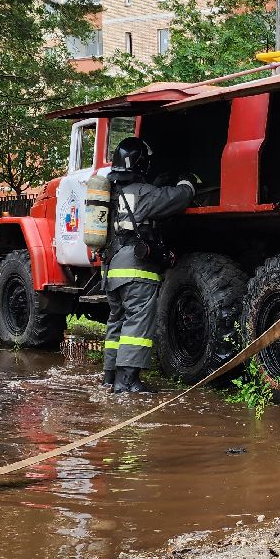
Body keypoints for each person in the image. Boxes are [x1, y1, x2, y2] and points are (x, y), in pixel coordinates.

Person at [102, 136, 194, 394]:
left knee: (117, 321)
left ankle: (110, 378)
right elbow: (180, 197)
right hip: (135, 269)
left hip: (112, 269)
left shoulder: (112, 195)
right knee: (137, 322)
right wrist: (187, 180)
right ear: (142, 165)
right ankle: (127, 382)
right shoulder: (144, 194)